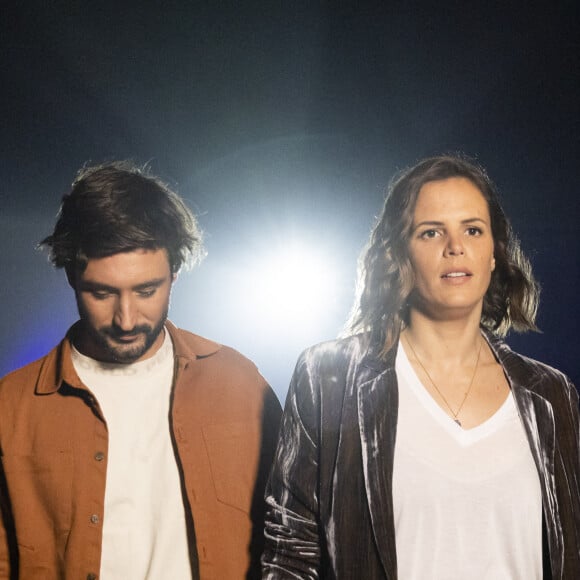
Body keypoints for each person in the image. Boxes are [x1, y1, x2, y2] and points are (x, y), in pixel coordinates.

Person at [262, 155, 580, 579]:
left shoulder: (551, 394)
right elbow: (290, 553)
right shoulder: (329, 379)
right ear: (399, 255)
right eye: (431, 232)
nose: (455, 246)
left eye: (472, 229)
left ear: (493, 254)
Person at [0, 161, 282, 579]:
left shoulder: (240, 383)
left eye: (147, 290)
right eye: (102, 293)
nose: (127, 319)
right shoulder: (11, 407)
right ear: (70, 277)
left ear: (175, 273)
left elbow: (292, 536)